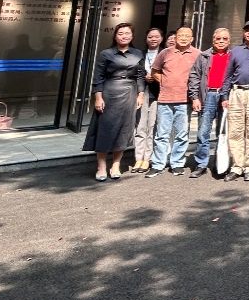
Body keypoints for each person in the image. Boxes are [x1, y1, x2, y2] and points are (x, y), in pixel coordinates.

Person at [83, 22, 145, 181]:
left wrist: (140, 94)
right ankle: (101, 166)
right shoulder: (106, 54)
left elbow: (140, 76)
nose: (124, 36)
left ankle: (116, 165)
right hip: (109, 92)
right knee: (104, 129)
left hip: (129, 94)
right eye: (120, 33)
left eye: (127, 33)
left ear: (132, 36)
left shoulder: (138, 53)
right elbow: (98, 77)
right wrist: (98, 97)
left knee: (124, 130)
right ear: (115, 36)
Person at [148, 26, 200, 177]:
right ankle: (158, 164)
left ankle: (177, 163)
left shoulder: (198, 54)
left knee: (181, 134)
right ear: (176, 37)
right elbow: (155, 71)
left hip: (185, 100)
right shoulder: (165, 52)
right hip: (165, 99)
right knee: (161, 134)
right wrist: (164, 82)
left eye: (187, 36)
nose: (183, 38)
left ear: (192, 39)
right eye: (180, 35)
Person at [187, 27, 231, 179]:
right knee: (203, 132)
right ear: (213, 40)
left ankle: (220, 163)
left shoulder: (232, 56)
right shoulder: (204, 56)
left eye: (224, 39)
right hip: (208, 95)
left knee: (222, 132)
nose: (221, 41)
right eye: (218, 38)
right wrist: (195, 97)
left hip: (225, 97)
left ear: (229, 41)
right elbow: (194, 76)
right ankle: (201, 164)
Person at [222, 19, 249, 181]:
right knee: (235, 130)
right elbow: (228, 74)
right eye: (247, 30)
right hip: (236, 92)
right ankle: (237, 166)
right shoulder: (236, 50)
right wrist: (225, 96)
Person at [132, 27, 164, 174]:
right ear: (146, 39)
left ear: (161, 39)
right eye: (150, 36)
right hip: (141, 93)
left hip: (158, 94)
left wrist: (156, 77)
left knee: (152, 127)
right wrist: (144, 77)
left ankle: (148, 158)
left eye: (156, 36)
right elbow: (135, 72)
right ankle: (139, 158)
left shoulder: (164, 54)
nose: (153, 39)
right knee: (140, 126)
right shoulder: (140, 54)